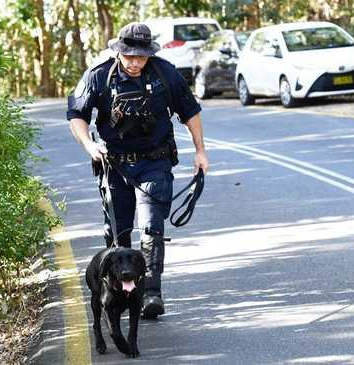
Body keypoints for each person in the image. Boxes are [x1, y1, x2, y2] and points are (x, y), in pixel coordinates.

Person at [67, 22, 208, 319]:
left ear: (149, 55)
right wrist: (89, 146)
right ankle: (120, 294)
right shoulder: (98, 76)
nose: (134, 62)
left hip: (154, 162)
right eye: (129, 56)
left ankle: (150, 294)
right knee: (118, 234)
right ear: (118, 51)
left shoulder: (165, 73)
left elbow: (190, 112)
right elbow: (77, 116)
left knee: (151, 229)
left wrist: (200, 151)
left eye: (140, 57)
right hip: (114, 164)